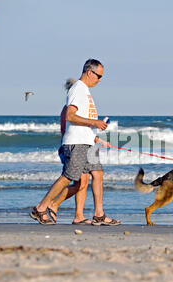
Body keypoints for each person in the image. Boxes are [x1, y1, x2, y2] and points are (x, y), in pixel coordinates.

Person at [30, 59, 120, 226]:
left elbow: (83, 123)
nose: (100, 80)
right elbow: (70, 116)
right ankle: (41, 208)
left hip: (88, 143)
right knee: (69, 177)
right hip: (77, 143)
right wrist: (95, 123)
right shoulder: (78, 89)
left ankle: (99, 214)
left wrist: (95, 136)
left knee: (97, 174)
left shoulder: (85, 91)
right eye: (99, 76)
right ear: (89, 72)